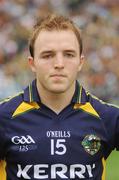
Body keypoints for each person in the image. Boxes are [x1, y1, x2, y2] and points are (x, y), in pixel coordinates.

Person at [0, 13, 119, 180]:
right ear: (32, 63)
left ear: (80, 62)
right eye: (48, 55)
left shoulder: (108, 118)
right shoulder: (4, 117)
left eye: (69, 54)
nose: (59, 64)